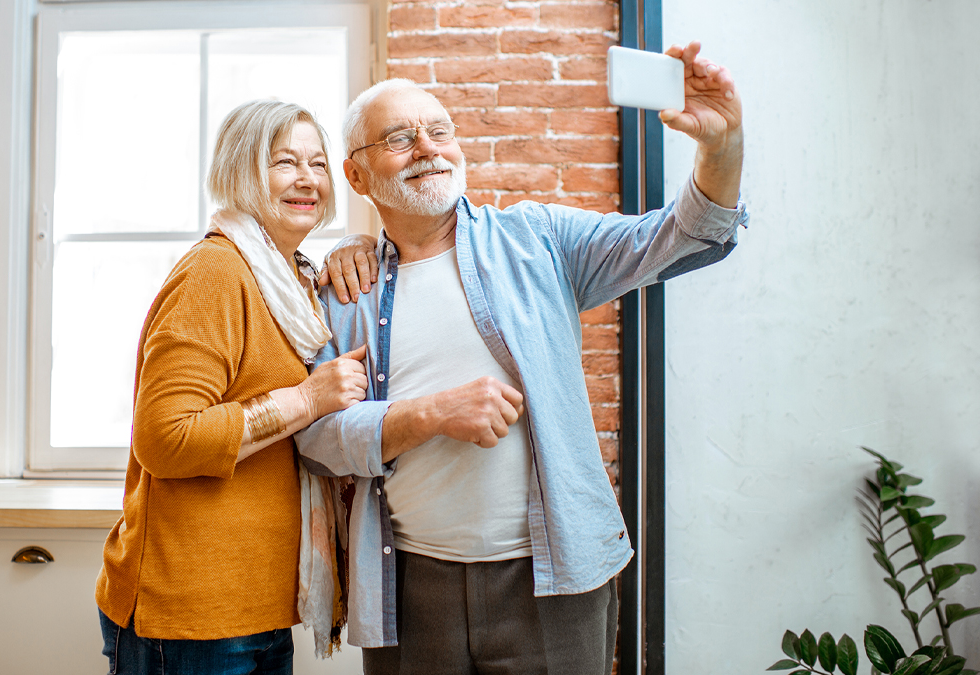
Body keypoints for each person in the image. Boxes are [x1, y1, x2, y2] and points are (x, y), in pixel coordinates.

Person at [295, 41, 750, 674]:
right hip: (410, 585)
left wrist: (721, 145)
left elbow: (685, 236)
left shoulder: (537, 239)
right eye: (401, 138)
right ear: (357, 175)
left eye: (440, 132)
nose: (428, 148)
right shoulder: (345, 290)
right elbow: (315, 437)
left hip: (556, 581)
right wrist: (428, 414)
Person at [94, 99, 374, 675]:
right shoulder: (216, 272)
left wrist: (358, 248)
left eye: (318, 164)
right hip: (193, 610)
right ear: (241, 172)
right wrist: (309, 399)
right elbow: (165, 438)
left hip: (259, 604)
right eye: (284, 162)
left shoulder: (289, 279)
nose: (307, 179)